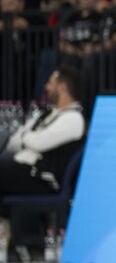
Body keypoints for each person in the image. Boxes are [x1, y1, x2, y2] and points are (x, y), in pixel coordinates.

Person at [0, 67, 85, 202]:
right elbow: (12, 143)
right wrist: (28, 138)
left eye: (50, 83)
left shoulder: (73, 118)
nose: (46, 87)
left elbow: (39, 144)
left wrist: (25, 136)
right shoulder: (45, 114)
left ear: (62, 87)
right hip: (21, 168)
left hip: (41, 178)